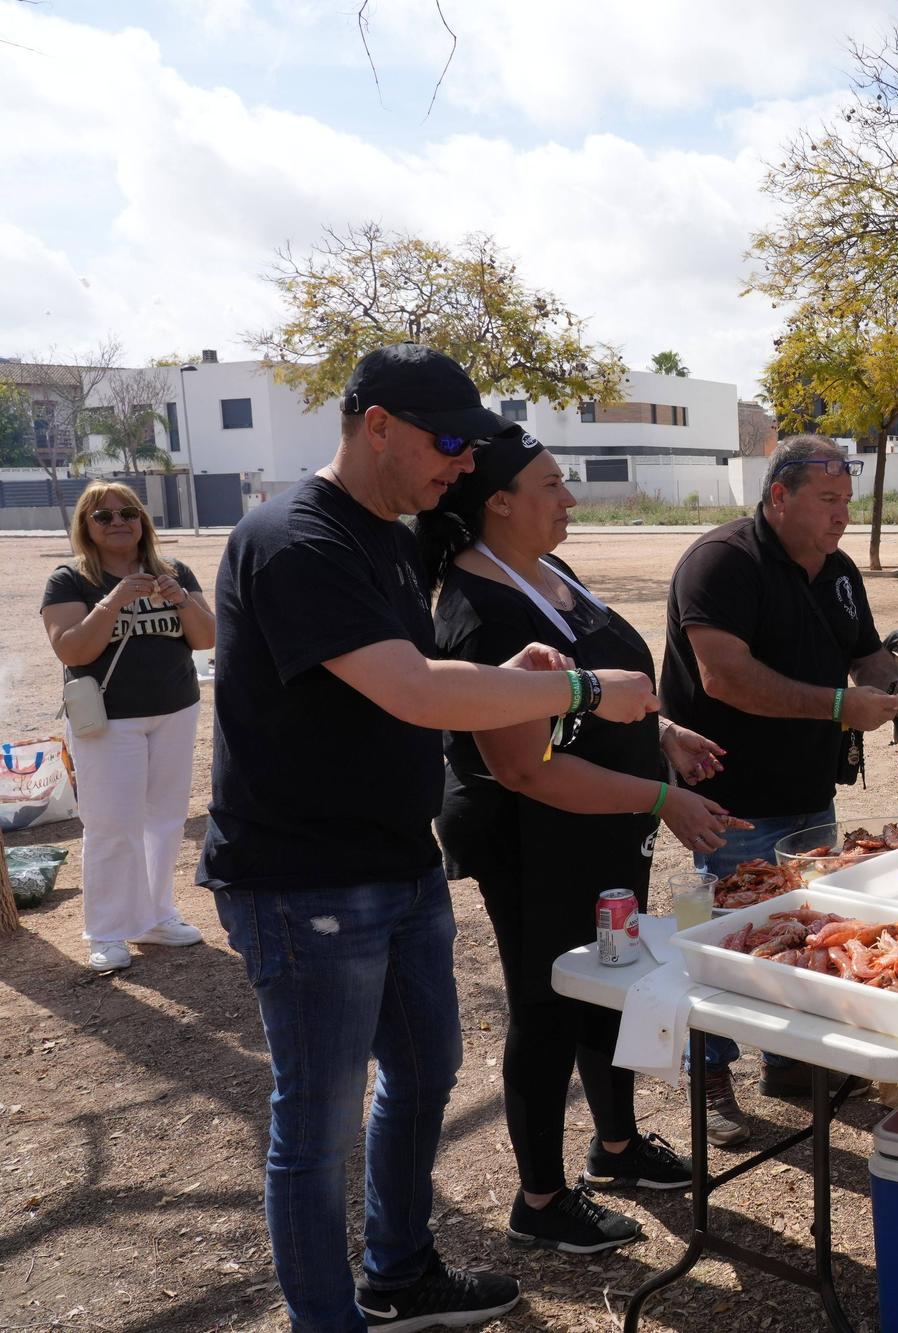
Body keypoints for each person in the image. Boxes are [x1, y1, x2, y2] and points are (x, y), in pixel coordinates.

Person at [200, 344, 660, 1332]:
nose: (461, 462)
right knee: (315, 1123)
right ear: (376, 427)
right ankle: (330, 1318)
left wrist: (509, 669)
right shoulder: (296, 540)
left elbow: (416, 679)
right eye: (448, 441)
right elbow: (409, 689)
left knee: (421, 1073)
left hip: (396, 864)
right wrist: (577, 685)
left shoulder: (388, 539)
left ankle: (400, 1272)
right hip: (304, 881)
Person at [419, 435, 738, 1256]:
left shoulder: (548, 574)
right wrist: (662, 797)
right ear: (497, 500)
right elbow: (529, 768)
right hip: (538, 838)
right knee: (548, 1002)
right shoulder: (479, 610)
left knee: (611, 980)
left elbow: (593, 697)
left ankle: (618, 1146)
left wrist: (660, 732)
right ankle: (540, 1196)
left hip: (604, 829)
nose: (570, 500)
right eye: (552, 484)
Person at [661, 434, 898, 1143]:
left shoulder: (838, 569)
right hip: (731, 792)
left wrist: (896, 686)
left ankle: (789, 1061)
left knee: (803, 931)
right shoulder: (722, 562)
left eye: (847, 500)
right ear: (777, 496)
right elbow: (725, 676)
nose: (842, 515)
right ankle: (711, 1073)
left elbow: (864, 652)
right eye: (827, 500)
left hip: (809, 788)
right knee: (729, 943)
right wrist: (839, 706)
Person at [41, 482, 215, 974]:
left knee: (164, 821)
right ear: (86, 528)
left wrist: (180, 598)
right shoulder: (69, 580)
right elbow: (72, 650)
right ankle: (109, 929)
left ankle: (155, 916)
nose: (118, 522)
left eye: (128, 512)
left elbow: (206, 637)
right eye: (104, 516)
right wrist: (112, 601)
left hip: (175, 711)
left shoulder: (173, 571)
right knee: (111, 825)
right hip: (108, 719)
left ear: (143, 521)